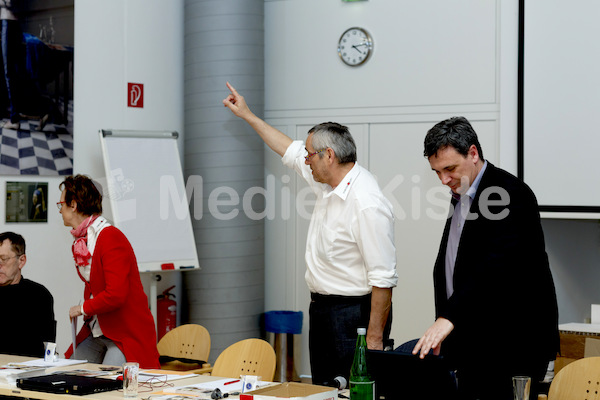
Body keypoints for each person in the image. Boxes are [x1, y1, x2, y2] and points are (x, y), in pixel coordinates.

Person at [223, 82, 398, 385]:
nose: (305, 160)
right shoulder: (326, 180)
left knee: (351, 389)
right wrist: (248, 115)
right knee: (322, 389)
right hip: (322, 309)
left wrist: (373, 340)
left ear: (328, 155)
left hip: (353, 316)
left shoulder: (366, 202)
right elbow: (286, 148)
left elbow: (383, 279)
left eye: (309, 155)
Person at [412, 116, 559, 400]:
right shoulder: (463, 191)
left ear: (473, 153)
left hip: (511, 343)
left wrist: (448, 317)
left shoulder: (508, 193)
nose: (443, 180)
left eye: (449, 169)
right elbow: (456, 262)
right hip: (472, 341)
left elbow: (494, 266)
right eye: (437, 172)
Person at [59, 174, 160, 368]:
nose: (60, 209)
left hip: (124, 333)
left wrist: (83, 308)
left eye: (61, 204)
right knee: (68, 373)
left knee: (108, 385)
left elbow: (116, 295)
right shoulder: (84, 239)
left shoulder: (110, 237)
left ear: (73, 205)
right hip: (99, 329)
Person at [0, 231, 56, 357]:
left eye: (4, 259)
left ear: (21, 261)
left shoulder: (39, 295)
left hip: (26, 368)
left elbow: (48, 344)